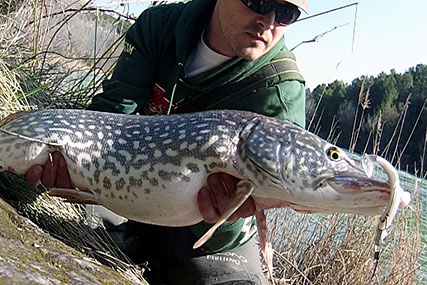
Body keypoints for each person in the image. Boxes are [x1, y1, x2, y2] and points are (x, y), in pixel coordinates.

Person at [26, 0, 308, 283]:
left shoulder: (281, 92)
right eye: (258, 1)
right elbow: (107, 117)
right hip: (128, 187)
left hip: (207, 235)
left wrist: (223, 216)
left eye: (286, 13)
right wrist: (71, 166)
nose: (268, 22)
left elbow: (237, 223)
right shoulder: (160, 25)